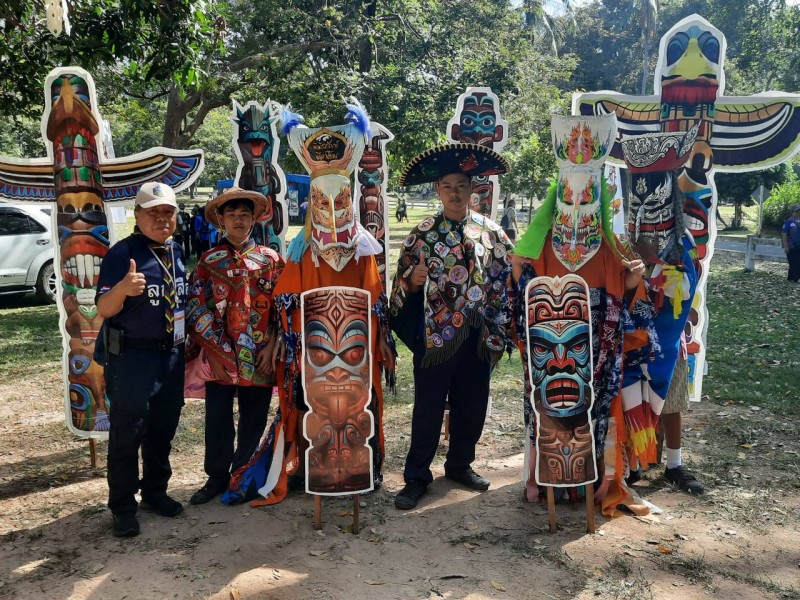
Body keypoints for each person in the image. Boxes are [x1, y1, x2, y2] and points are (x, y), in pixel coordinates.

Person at [390, 143, 514, 510]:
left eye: (461, 185)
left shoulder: (492, 232)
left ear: (472, 188)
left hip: (480, 334)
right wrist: (413, 281)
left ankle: (460, 465)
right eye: (447, 186)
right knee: (428, 408)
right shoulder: (422, 234)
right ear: (437, 190)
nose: (455, 193)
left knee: (472, 404)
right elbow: (401, 284)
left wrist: (502, 320)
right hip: (437, 336)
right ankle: (416, 477)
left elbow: (508, 277)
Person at [96, 181, 187, 537]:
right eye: (153, 212)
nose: (162, 219)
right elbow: (104, 308)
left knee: (162, 429)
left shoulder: (175, 250)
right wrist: (122, 289)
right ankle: (122, 506)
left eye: (168, 212)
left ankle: (154, 492)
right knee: (127, 431)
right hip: (132, 358)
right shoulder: (122, 254)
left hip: (171, 355)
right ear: (137, 215)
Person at [187, 188, 285, 505]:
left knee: (253, 418)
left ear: (254, 219)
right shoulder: (208, 262)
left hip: (259, 355)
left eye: (244, 214)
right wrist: (214, 354)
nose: (238, 220)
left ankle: (243, 475)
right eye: (232, 215)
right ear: (222, 220)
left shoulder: (271, 260)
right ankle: (216, 477)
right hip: (219, 356)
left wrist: (273, 345)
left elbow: (283, 308)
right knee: (217, 417)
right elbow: (196, 308)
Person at [660, 336, 704, 494]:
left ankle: (674, 465)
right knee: (629, 398)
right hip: (631, 336)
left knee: (673, 400)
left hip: (671, 338)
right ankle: (629, 467)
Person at [781, 204, 800, 282]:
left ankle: (791, 278)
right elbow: (784, 233)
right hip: (791, 246)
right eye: (796, 211)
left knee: (797, 262)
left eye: (799, 211)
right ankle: (795, 279)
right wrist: (786, 246)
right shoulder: (789, 222)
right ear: (792, 212)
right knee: (794, 263)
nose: (798, 212)